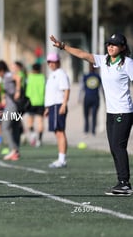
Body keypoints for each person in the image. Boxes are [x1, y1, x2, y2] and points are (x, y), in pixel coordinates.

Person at [50, 33, 133, 195]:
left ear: (122, 47)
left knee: (119, 147)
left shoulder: (128, 63)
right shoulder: (105, 60)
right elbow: (83, 55)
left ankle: (125, 183)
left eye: (114, 44)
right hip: (111, 112)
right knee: (113, 148)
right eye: (109, 44)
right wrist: (63, 46)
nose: (110, 47)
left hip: (124, 111)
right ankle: (121, 182)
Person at [43, 52, 70, 168]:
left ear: (58, 62)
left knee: (60, 132)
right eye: (49, 62)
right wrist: (48, 108)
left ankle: (62, 159)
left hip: (58, 105)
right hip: (53, 106)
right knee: (57, 132)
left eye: (53, 61)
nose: (51, 64)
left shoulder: (61, 74)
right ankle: (61, 158)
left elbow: (66, 90)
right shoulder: (52, 74)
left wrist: (64, 104)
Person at [0, 60, 23, 161]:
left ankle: (13, 150)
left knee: (5, 127)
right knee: (14, 127)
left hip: (13, 106)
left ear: (1, 70)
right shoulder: (4, 78)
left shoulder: (7, 75)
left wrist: (18, 91)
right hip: (12, 105)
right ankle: (16, 151)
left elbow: (18, 77)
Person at [25, 63, 46, 147]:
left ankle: (33, 133)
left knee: (30, 121)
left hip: (30, 102)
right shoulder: (43, 78)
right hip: (41, 102)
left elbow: (26, 88)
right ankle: (39, 140)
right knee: (40, 122)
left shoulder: (29, 77)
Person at [80, 63, 101, 136]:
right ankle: (92, 131)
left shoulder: (86, 76)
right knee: (94, 115)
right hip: (95, 97)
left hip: (88, 97)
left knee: (87, 115)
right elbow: (101, 88)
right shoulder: (97, 76)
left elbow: (81, 88)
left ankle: (87, 131)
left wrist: (79, 98)